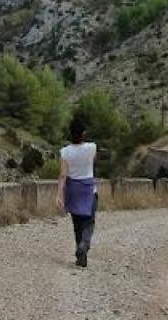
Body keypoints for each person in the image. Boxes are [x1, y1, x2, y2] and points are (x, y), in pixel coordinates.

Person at [56, 114, 97, 268]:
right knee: (89, 221)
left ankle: (81, 256)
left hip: (72, 189)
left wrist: (59, 195)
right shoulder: (92, 147)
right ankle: (84, 245)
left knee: (77, 223)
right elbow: (92, 164)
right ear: (83, 133)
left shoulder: (65, 152)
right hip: (88, 189)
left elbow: (62, 175)